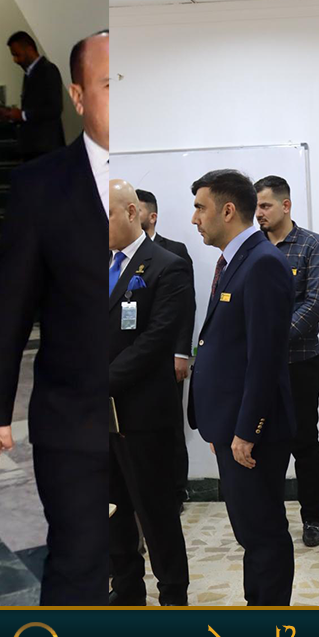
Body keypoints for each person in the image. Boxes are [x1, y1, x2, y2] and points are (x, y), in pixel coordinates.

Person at [0, 30, 109, 606]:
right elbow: (8, 308)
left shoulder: (167, 188)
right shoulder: (40, 185)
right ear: (78, 97)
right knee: (79, 562)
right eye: (110, 85)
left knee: (136, 555)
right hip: (73, 416)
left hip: (147, 422)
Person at [188, 169, 295, 606]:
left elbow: (265, 359)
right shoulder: (237, 260)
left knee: (263, 531)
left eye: (201, 208)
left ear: (228, 210)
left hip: (251, 432)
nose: (195, 218)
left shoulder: (262, 262)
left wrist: (247, 430)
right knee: (250, 530)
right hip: (230, 426)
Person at [107, 179, 191, 607]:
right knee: (112, 509)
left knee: (155, 512)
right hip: (102, 416)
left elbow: (157, 339)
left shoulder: (167, 265)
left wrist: (99, 381)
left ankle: (172, 594)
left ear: (131, 213)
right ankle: (126, 589)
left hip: (144, 413)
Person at [254, 175, 319, 548]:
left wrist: (271, 340)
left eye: (265, 206)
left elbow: (315, 303)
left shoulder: (313, 245)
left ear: (286, 205)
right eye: (255, 206)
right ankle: (267, 519)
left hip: (299, 363)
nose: (259, 213)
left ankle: (312, 519)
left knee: (304, 442)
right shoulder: (250, 247)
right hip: (258, 366)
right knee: (262, 443)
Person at [136, 188, 195, 507]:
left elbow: (186, 306)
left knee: (171, 424)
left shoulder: (174, 252)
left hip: (168, 356)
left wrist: (181, 353)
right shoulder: (115, 254)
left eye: (136, 209)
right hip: (131, 359)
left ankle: (176, 490)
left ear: (152, 216)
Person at [1, 31, 65, 161]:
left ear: (29, 49)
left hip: (46, 149)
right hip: (34, 147)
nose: (15, 60)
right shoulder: (29, 73)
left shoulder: (48, 70)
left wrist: (23, 115)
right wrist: (13, 115)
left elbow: (55, 108)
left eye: (17, 55)